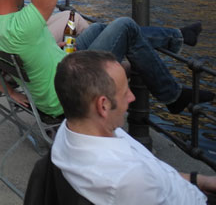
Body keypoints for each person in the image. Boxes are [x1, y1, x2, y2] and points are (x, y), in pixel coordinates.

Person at [0, 0, 211, 117]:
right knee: (125, 26)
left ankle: (176, 37)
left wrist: (48, 48)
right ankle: (173, 95)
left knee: (100, 27)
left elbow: (27, 50)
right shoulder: (22, 25)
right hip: (67, 90)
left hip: (56, 71)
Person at [52, 50, 216, 203]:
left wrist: (199, 181)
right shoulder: (127, 179)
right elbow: (144, 182)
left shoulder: (72, 131)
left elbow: (157, 177)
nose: (132, 97)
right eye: (125, 92)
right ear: (103, 106)